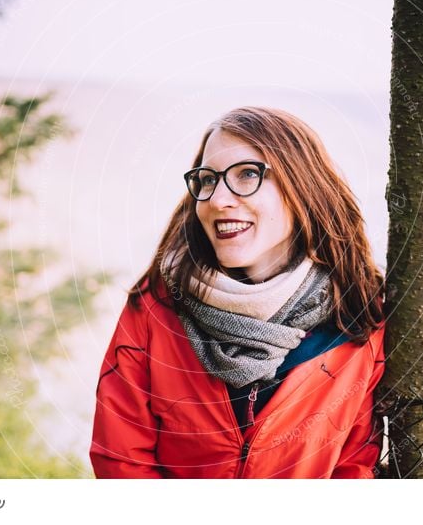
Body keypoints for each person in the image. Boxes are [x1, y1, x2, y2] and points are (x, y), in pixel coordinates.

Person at [90, 106, 386, 479]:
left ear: (303, 185)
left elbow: (352, 465)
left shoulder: (355, 316)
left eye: (248, 174)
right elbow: (121, 461)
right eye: (208, 180)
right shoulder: (156, 306)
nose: (217, 200)